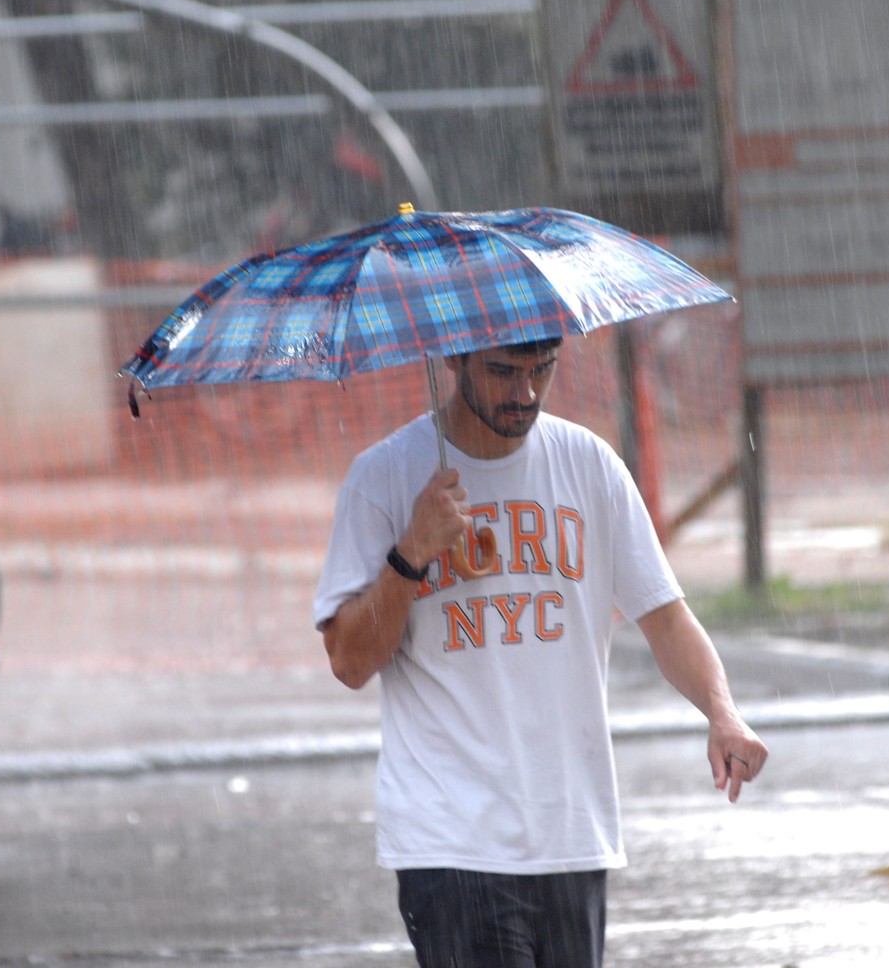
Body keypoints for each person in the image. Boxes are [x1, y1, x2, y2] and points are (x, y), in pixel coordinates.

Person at [313, 337, 769, 968]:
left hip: (572, 834)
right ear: (453, 358)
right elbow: (349, 660)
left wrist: (723, 712)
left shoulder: (591, 466)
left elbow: (665, 619)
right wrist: (412, 551)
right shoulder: (384, 477)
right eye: (503, 372)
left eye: (541, 370)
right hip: (452, 843)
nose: (525, 392)